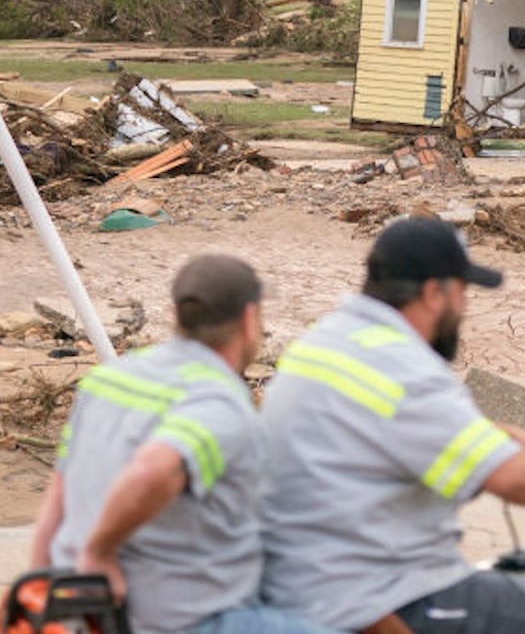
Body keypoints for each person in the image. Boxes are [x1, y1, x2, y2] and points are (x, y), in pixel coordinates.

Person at [260, 217, 525, 634]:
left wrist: (500, 435)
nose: (464, 307)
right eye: (462, 292)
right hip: (374, 593)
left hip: (302, 576)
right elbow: (515, 480)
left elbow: (389, 425)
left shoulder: (330, 340)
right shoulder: (404, 365)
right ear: (433, 293)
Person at [28, 254, 333, 634]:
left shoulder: (107, 380)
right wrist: (99, 551)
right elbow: (152, 469)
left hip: (84, 610)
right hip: (182, 619)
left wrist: (41, 591)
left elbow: (57, 500)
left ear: (175, 313)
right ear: (250, 319)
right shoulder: (219, 404)